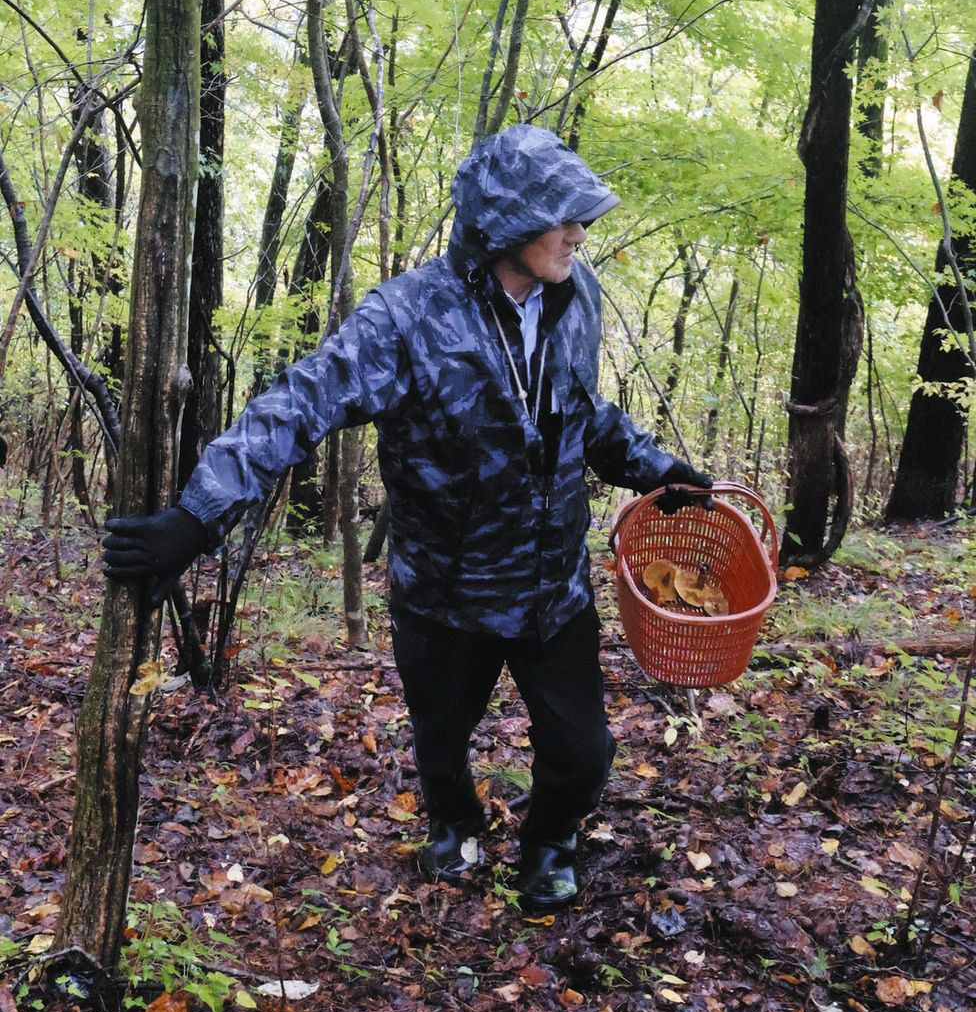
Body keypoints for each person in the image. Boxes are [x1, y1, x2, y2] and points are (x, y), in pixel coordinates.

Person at [102, 124, 711, 914]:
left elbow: (579, 410)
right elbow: (300, 401)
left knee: (583, 751)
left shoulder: (576, 296)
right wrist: (197, 516)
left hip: (550, 587)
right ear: (505, 221)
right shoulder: (408, 316)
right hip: (444, 594)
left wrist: (653, 466)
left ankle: (550, 839)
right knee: (441, 736)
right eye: (562, 216)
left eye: (581, 216)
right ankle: (454, 823)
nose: (578, 233)